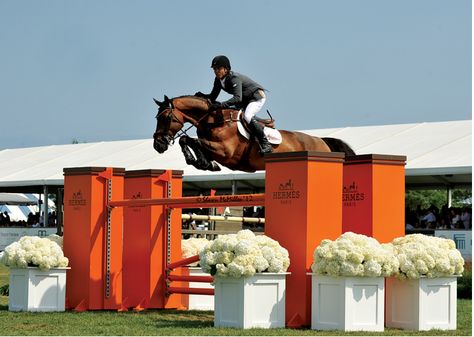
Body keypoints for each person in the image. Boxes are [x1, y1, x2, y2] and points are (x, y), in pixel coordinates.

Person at [195, 55, 272, 154]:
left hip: (256, 97)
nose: (216, 71)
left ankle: (266, 144)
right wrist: (202, 96)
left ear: (226, 69)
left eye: (218, 68)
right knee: (234, 114)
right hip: (244, 100)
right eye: (214, 69)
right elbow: (213, 96)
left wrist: (221, 104)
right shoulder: (218, 80)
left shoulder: (233, 78)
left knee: (247, 116)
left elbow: (237, 98)